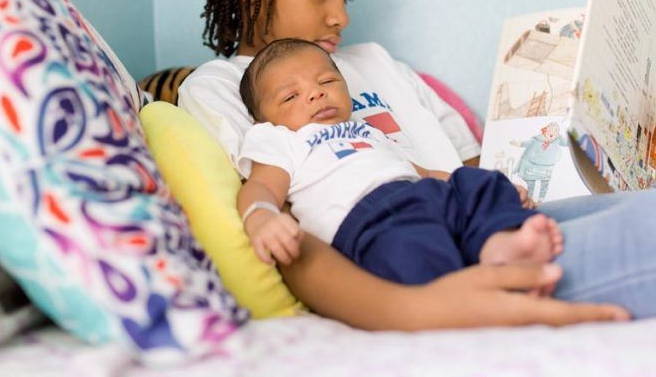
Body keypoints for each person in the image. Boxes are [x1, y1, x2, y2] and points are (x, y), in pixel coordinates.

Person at [179, 0, 656, 330]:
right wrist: (418, 311)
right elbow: (279, 225)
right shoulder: (218, 86)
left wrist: (625, 140)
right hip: (429, 257)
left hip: (493, 221)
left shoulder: (379, 63)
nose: (341, 18)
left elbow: (476, 169)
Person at [235, 38, 562, 286]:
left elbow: (418, 171)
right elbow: (261, 185)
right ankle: (469, 286)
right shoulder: (282, 140)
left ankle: (498, 246)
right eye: (290, 96)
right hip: (369, 219)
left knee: (477, 182)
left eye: (326, 82)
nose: (315, 94)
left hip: (417, 193)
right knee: (410, 251)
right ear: (265, 120)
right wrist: (260, 217)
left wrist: (487, 192)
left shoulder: (365, 130)